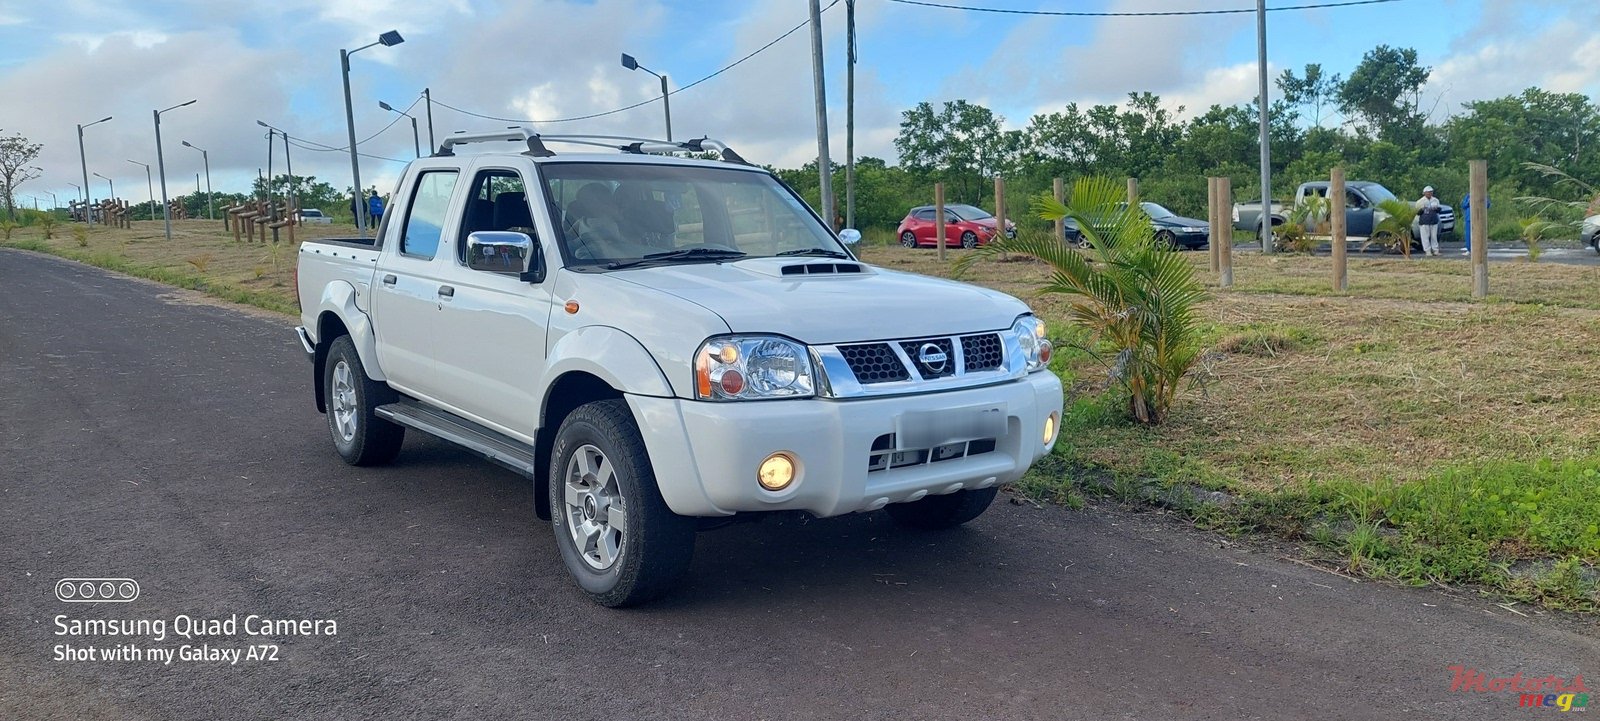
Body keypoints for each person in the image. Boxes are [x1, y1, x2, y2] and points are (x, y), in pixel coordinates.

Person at [1415, 186, 1441, 256]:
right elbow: (1417, 212)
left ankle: (1435, 250)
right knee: (1425, 237)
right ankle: (1427, 251)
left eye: (1431, 192)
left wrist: (1436, 208)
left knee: (1434, 236)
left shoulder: (1435, 200)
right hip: (1424, 221)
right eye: (1428, 192)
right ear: (1424, 193)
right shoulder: (1420, 201)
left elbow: (1439, 210)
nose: (1430, 193)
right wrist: (1422, 209)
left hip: (1433, 220)